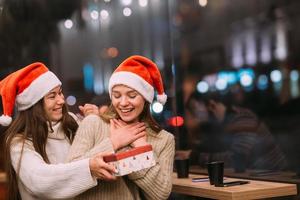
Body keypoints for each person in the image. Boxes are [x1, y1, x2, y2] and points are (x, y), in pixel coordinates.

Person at [0, 62, 123, 200]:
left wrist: (95, 123)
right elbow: (39, 181)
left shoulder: (71, 124)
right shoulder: (19, 142)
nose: (61, 100)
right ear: (34, 105)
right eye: (52, 96)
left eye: (60, 93)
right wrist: (88, 167)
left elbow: (100, 153)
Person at [66, 55, 175, 200]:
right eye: (117, 96)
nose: (123, 103)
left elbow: (161, 194)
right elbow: (70, 176)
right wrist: (114, 143)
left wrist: (141, 150)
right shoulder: (93, 123)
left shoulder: (164, 139)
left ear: (145, 97)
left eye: (131, 95)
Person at [186, 90, 287, 171]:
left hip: (277, 180)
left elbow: (237, 159)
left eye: (195, 109)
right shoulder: (221, 125)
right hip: (256, 177)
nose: (195, 116)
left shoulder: (243, 118)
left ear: (211, 105)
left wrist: (194, 157)